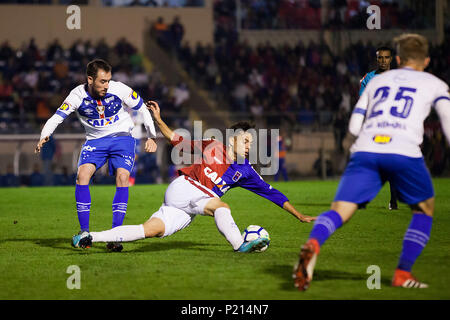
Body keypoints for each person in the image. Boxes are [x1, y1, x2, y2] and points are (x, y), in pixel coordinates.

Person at [293, 33, 450, 291]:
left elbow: (356, 120)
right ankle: (402, 273)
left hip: (367, 147)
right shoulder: (435, 83)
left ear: (398, 58)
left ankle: (314, 244)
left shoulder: (375, 81)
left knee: (339, 211)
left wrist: (350, 146)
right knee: (424, 209)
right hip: (404, 149)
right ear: (427, 60)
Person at [72, 101, 316, 252]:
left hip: (187, 209)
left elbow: (272, 193)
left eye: (251, 142)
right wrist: (158, 120)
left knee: (149, 230)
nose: (249, 146)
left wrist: (298, 215)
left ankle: (89, 236)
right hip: (185, 188)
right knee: (221, 206)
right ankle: (240, 245)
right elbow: (177, 141)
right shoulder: (213, 146)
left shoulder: (246, 171)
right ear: (234, 138)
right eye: (246, 140)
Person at [35, 59, 158, 252]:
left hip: (122, 138)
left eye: (108, 80)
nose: (106, 85)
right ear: (90, 79)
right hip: (95, 141)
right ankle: (84, 233)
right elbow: (58, 116)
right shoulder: (76, 95)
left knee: (123, 177)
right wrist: (44, 135)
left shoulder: (119, 89)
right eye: (102, 81)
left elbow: (141, 107)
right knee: (82, 176)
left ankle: (116, 235)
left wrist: (152, 136)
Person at [359, 46, 399, 210]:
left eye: (386, 57)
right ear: (377, 59)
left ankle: (394, 201)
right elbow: (363, 102)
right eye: (380, 58)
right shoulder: (369, 78)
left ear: (391, 59)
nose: (383, 60)